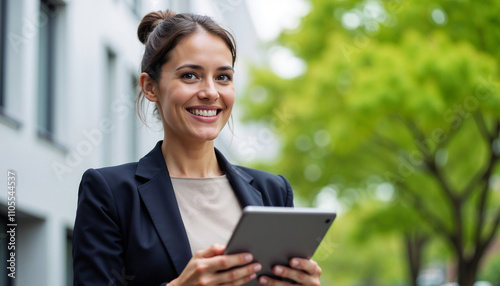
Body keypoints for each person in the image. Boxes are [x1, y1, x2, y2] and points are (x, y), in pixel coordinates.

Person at [73, 10, 322, 286]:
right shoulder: (110, 193)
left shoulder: (272, 191)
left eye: (223, 77)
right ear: (150, 87)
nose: (211, 92)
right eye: (190, 75)